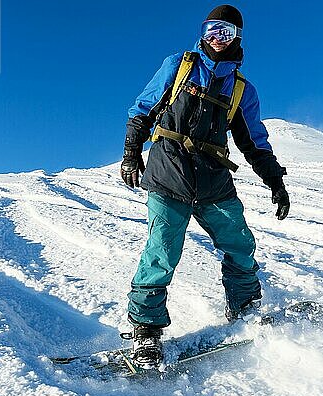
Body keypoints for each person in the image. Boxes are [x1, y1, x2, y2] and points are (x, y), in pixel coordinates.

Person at [120, 4, 290, 368]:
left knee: (240, 243)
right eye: (211, 30)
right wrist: (132, 152)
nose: (216, 38)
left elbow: (254, 142)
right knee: (162, 251)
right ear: (202, 32)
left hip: (213, 178)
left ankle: (244, 307)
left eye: (225, 32)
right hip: (169, 172)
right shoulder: (179, 65)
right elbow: (142, 109)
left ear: (237, 39)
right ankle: (145, 331)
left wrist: (275, 180)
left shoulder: (242, 90)